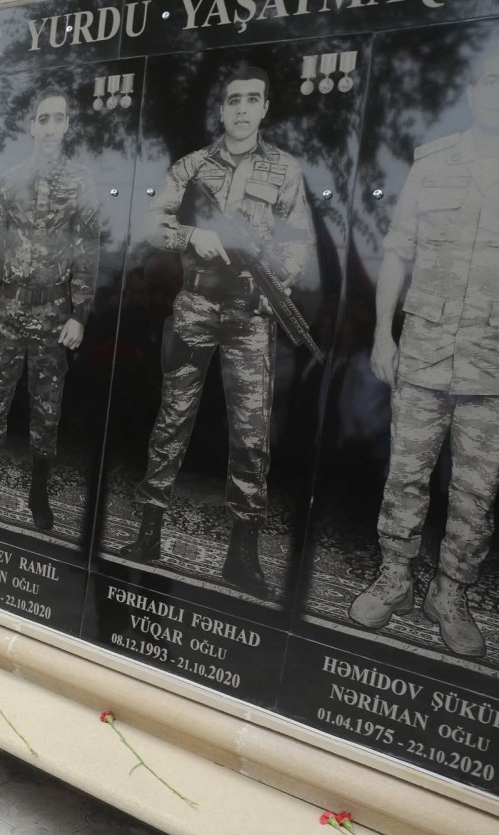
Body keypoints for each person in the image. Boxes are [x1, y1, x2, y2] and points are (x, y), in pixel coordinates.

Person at [349, 37, 499, 657]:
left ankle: (451, 594)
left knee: (476, 490)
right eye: (489, 83)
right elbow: (399, 251)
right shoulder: (436, 160)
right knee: (405, 475)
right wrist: (382, 333)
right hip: (423, 352)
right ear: (472, 92)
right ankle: (393, 579)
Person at [121, 65, 311, 599]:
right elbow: (152, 224)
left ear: (265, 107)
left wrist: (280, 282)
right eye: (234, 101)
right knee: (172, 420)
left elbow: (298, 239)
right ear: (221, 110)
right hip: (197, 306)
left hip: (253, 316)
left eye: (253, 99)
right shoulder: (192, 166)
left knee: (251, 435)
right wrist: (193, 234)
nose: (243, 109)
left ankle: (242, 553)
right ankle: (149, 530)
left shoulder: (285, 169)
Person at [0, 87, 100, 531]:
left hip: (54, 314)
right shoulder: (9, 181)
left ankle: (38, 492)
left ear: (68, 125)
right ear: (31, 125)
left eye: (57, 119)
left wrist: (80, 314)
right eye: (42, 119)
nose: (49, 128)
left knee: (47, 406)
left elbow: (87, 251)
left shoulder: (82, 183)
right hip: (8, 309)